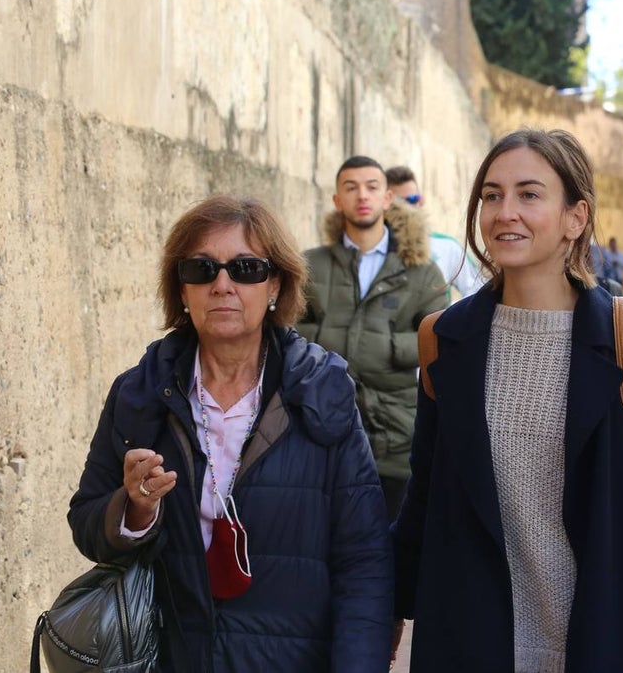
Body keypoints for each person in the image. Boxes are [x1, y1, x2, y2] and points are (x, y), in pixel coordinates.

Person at [392, 128, 623, 672]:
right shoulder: (444, 341)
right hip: (471, 644)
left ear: (576, 218)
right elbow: (425, 497)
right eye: (491, 195)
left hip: (603, 645)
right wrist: (392, 609)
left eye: (529, 194)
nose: (504, 212)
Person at [68, 195, 393, 671]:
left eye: (245, 268)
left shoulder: (322, 393)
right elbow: (87, 523)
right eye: (201, 269)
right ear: (181, 290)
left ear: (275, 285)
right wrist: (134, 510)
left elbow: (364, 563)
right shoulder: (137, 394)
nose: (222, 284)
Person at [296, 156, 447, 521]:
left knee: (392, 554)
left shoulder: (422, 271)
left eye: (371, 186)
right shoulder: (308, 265)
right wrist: (326, 338)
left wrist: (386, 347)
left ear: (386, 198)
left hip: (395, 438)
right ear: (337, 200)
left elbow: (441, 341)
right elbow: (284, 331)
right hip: (320, 433)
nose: (361, 195)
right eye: (350, 187)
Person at [385, 165, 484, 303]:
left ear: (421, 201)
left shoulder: (447, 247)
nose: (407, 209)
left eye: (413, 199)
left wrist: (450, 316)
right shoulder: (376, 249)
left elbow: (477, 290)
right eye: (399, 203)